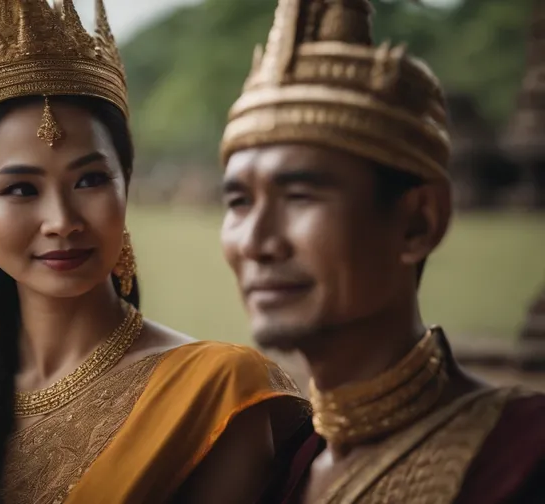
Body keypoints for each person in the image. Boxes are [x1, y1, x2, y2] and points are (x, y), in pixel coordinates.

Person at [0, 1, 310, 502]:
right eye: (20, 189)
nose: (61, 221)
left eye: (90, 179)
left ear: (126, 184)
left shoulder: (216, 390)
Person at [219, 0, 545, 502]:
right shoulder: (282, 463)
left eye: (300, 195)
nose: (258, 242)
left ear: (419, 222)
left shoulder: (522, 456)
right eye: (239, 201)